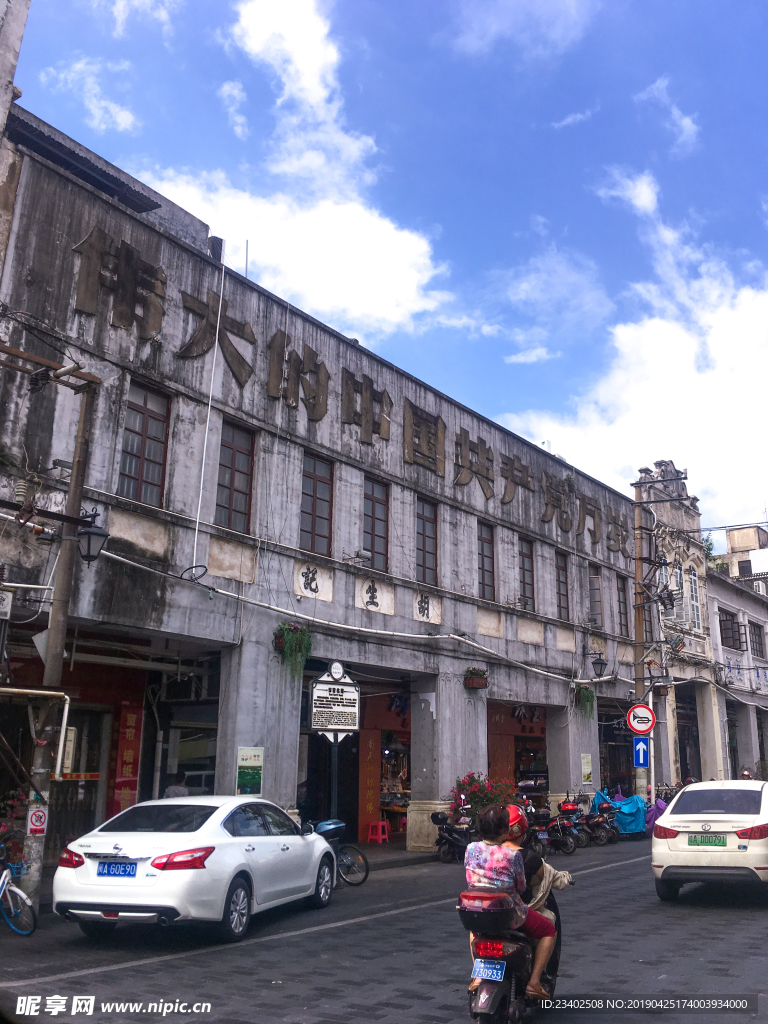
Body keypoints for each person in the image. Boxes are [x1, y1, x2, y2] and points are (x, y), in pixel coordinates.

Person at [464, 804, 557, 1001]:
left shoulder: (470, 849)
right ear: (505, 831)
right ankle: (534, 982)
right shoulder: (512, 855)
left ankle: (478, 975)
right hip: (510, 913)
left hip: (478, 910)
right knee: (549, 930)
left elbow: (469, 878)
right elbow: (521, 886)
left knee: (475, 932)